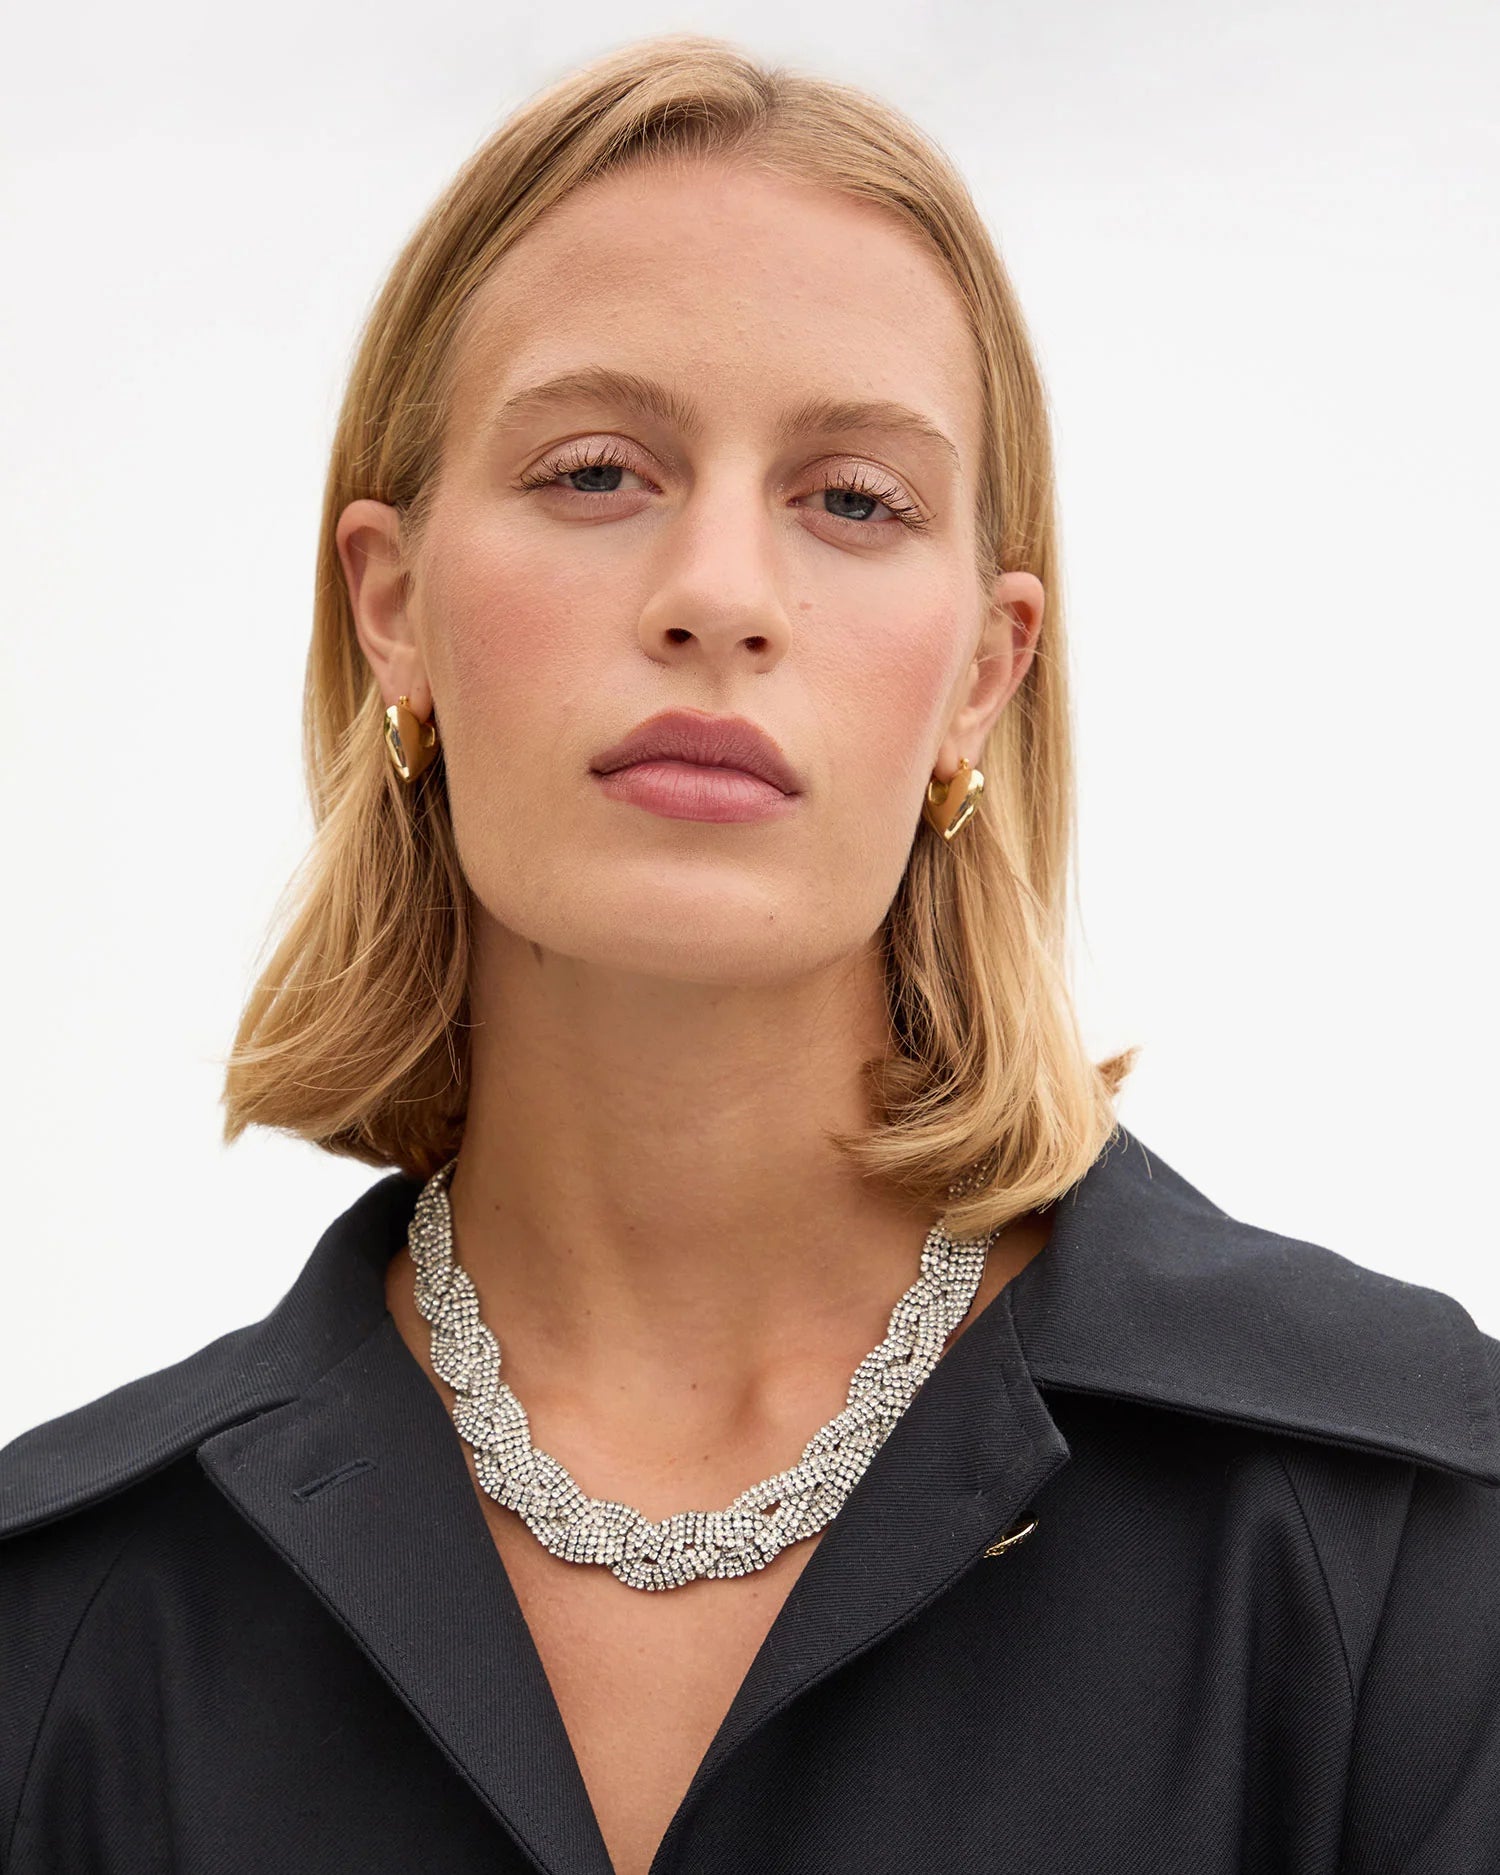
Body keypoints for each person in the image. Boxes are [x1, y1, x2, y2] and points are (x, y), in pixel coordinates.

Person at [2, 33, 1497, 1875]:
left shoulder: (1401, 1531)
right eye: (596, 471)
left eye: (853, 500)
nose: (720, 589)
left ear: (980, 675)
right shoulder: (60, 1625)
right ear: (392, 612)